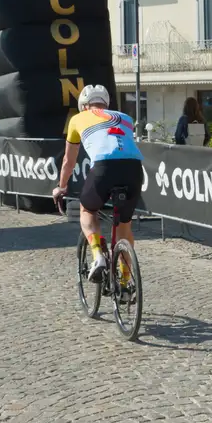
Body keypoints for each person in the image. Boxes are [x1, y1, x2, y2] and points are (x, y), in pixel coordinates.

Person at [51, 85, 144, 281]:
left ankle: (97, 255)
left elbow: (69, 161)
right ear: (106, 104)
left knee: (87, 211)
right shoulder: (124, 118)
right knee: (124, 228)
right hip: (134, 168)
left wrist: (61, 186)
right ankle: (126, 282)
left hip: (104, 167)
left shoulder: (77, 119)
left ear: (84, 106)